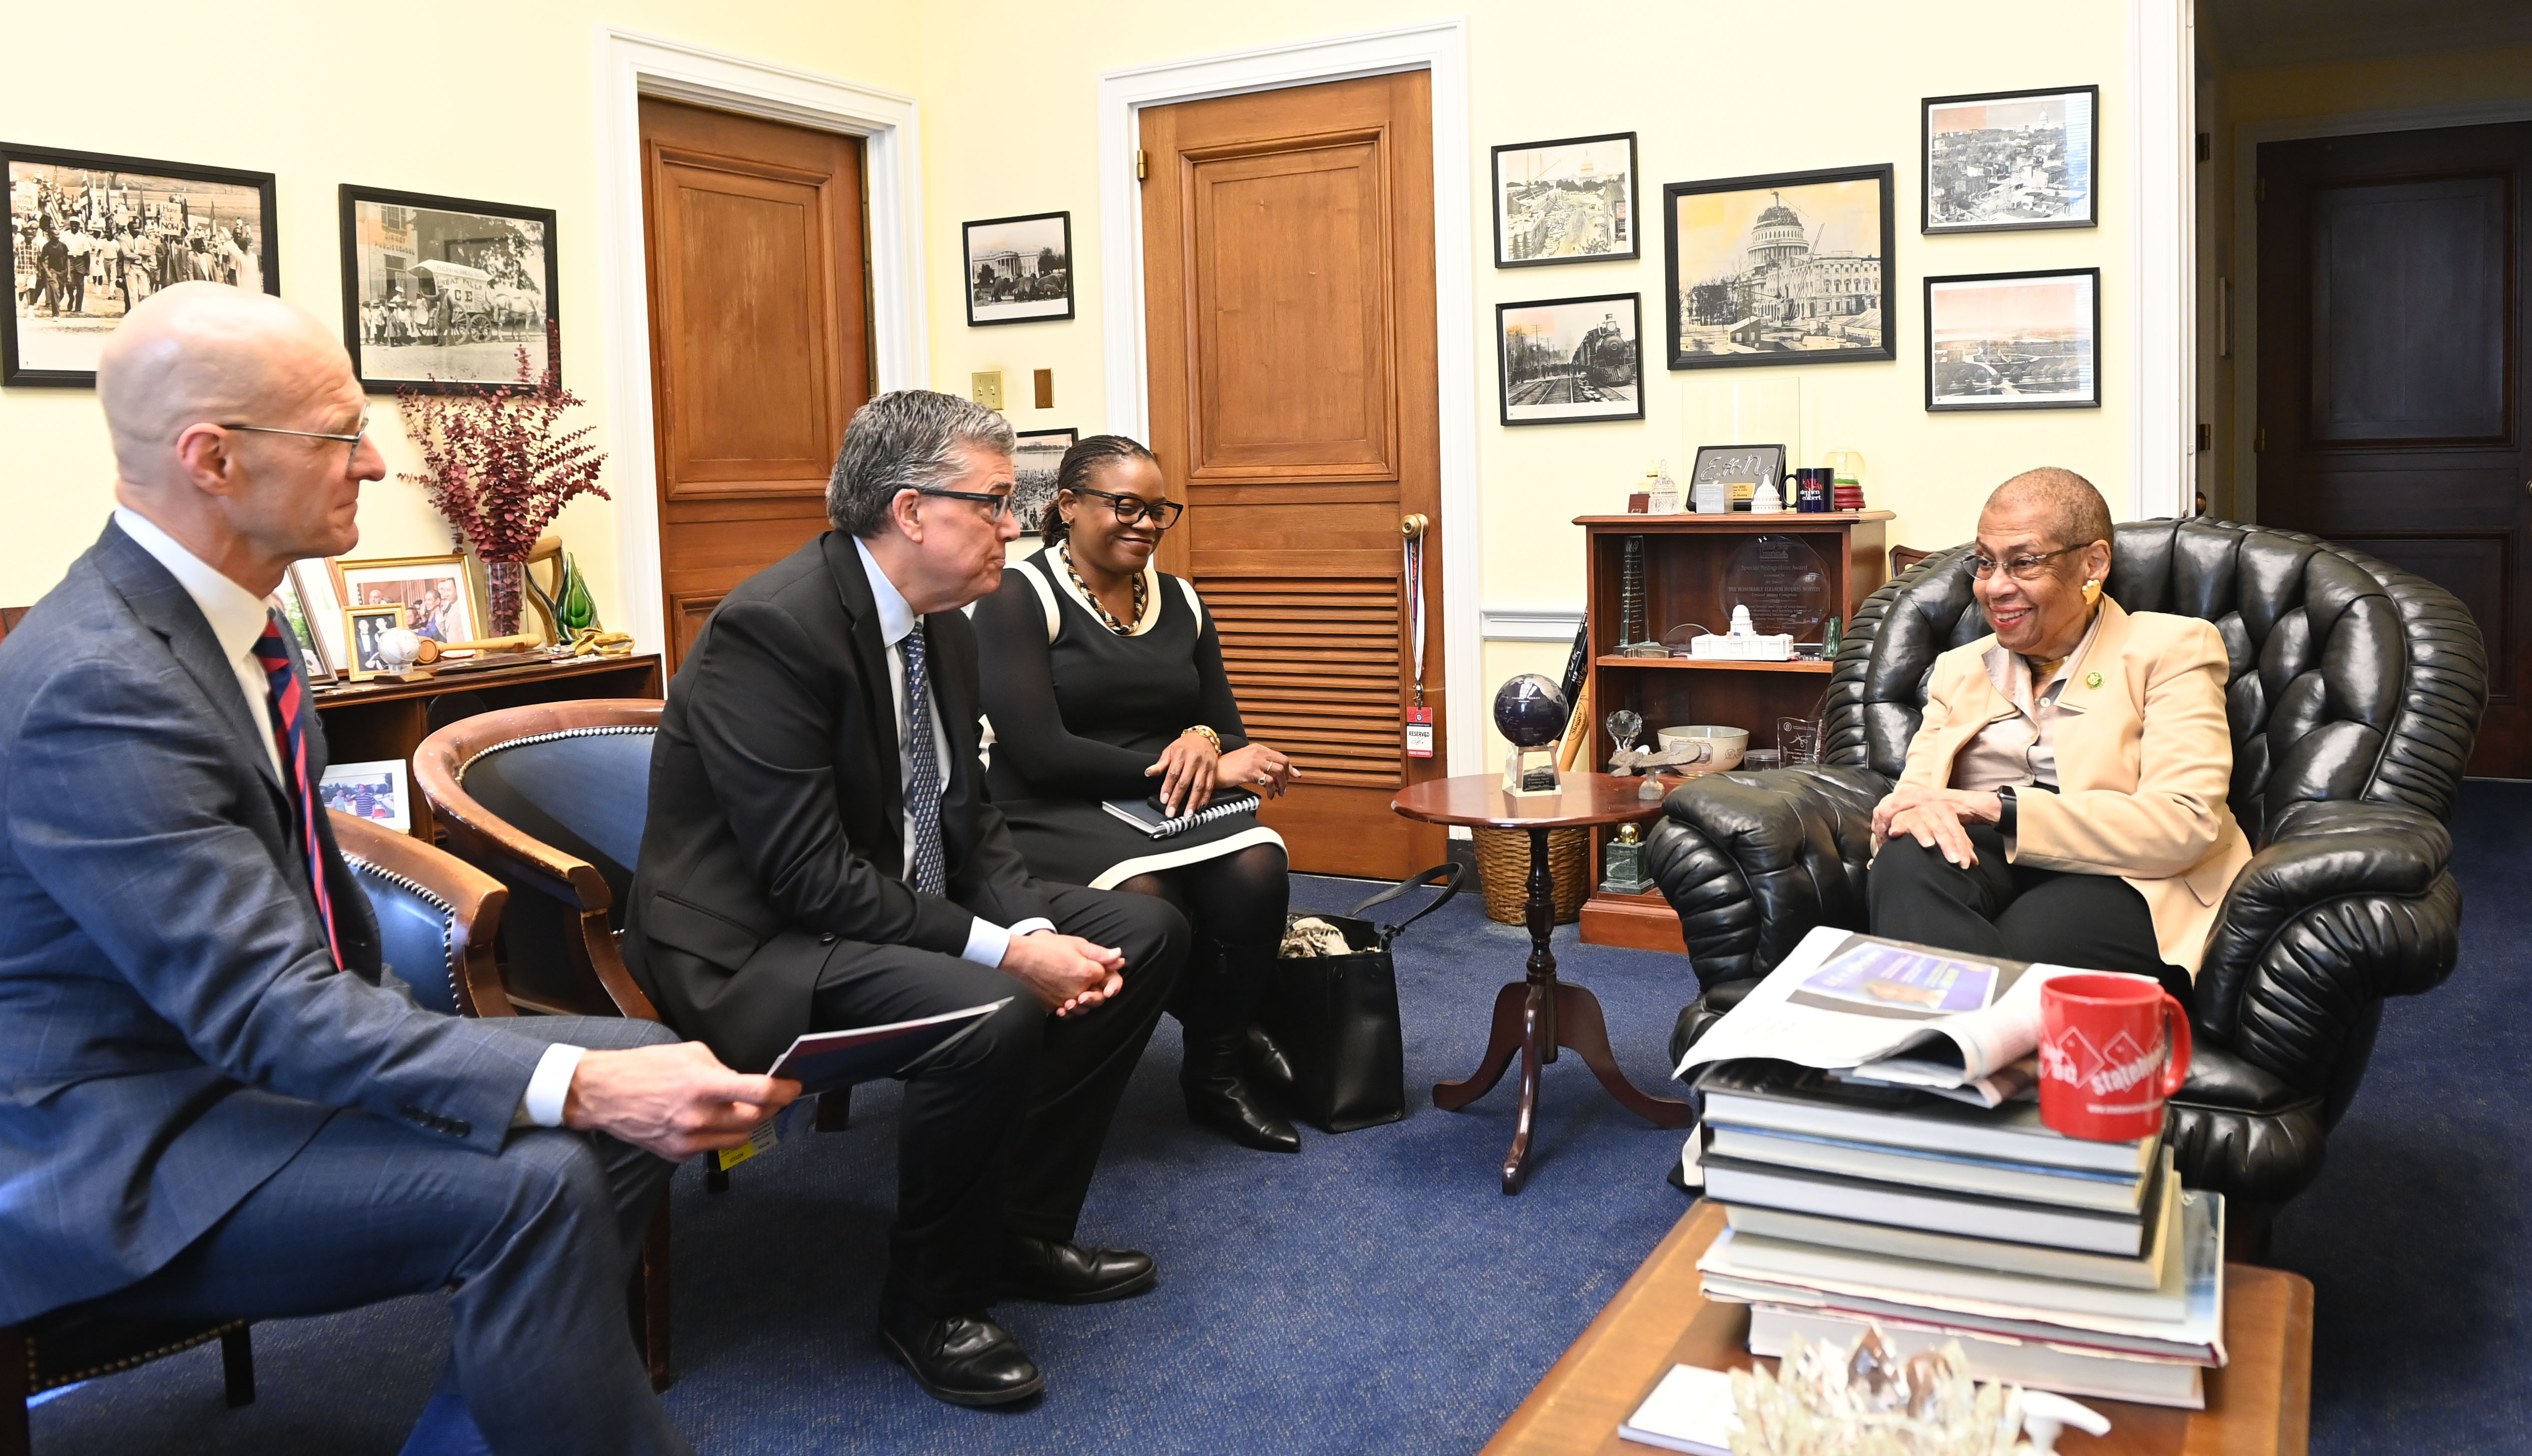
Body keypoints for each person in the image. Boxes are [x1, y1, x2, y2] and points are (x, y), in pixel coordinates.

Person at [0, 283, 795, 1456]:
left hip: (251, 1063)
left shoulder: (237, 627)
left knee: (634, 1055)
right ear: (212, 459)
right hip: (125, 1141)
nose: (375, 461)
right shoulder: (103, 684)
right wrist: (576, 1089)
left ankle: (494, 1427)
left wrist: (595, 1077)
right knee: (544, 1180)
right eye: (340, 433)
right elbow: (266, 1009)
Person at [624, 389, 1187, 1409]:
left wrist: (1032, 924)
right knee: (995, 1008)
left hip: (873, 903)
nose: (1015, 526)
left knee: (1141, 931)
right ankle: (932, 1301)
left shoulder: (946, 628)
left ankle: (1019, 1231)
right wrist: (1013, 957)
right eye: (994, 503)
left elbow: (967, 822)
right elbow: (807, 879)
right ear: (911, 509)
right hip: (755, 948)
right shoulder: (773, 629)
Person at [971, 435, 1305, 1153]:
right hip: (1044, 804)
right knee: (1148, 895)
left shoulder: (1181, 600)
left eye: (1159, 510)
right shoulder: (1015, 596)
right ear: (1066, 505)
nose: (1145, 523)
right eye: (1125, 505)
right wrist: (1189, 763)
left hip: (1154, 798)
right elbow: (1038, 751)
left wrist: (1204, 743)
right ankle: (1217, 1015)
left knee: (1256, 867)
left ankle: (1214, 1070)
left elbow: (1226, 729)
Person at [1865, 467, 2252, 1008]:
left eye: (2023, 562)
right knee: (1909, 856)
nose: (1995, 586)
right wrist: (1904, 816)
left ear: (2092, 564)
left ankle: (1930, 1055)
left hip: (2126, 876)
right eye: (1984, 562)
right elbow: (1916, 801)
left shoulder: (2170, 648)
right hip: (1992, 866)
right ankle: (1960, 1052)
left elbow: (2183, 824)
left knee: (2011, 956)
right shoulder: (1959, 669)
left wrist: (1994, 808)